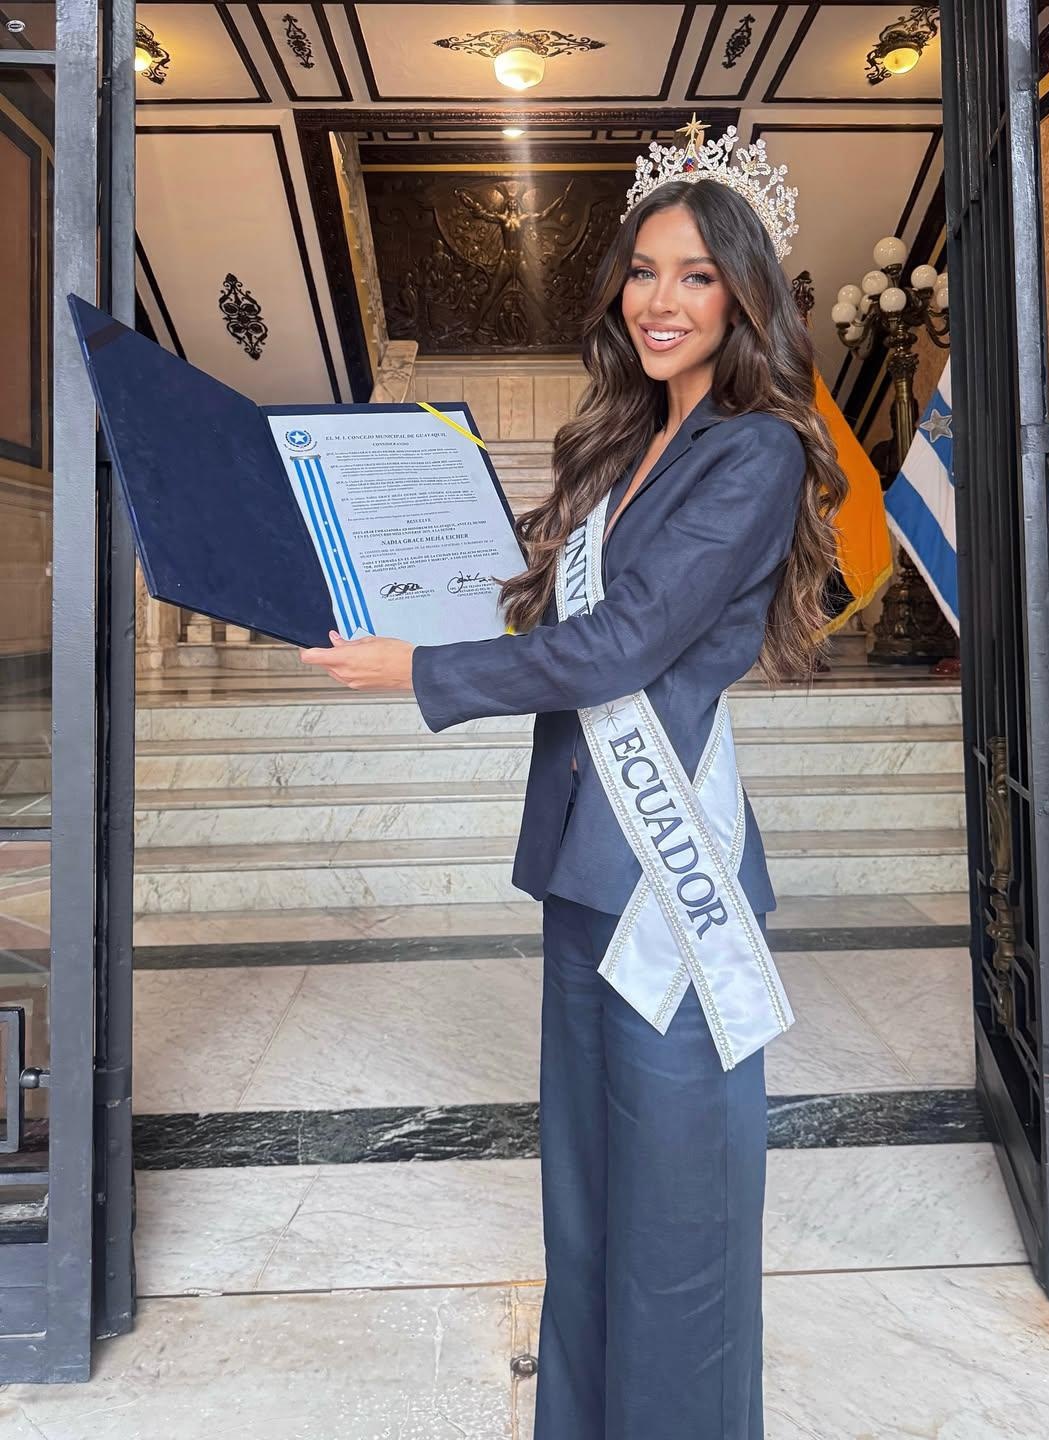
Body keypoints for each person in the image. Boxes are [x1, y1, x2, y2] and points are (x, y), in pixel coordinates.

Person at [301, 120, 847, 1440]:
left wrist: (419, 671)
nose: (662, 301)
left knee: (679, 1212)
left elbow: (622, 646)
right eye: (644, 271)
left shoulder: (755, 451)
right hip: (584, 864)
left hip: (669, 876)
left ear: (744, 297)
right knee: (590, 1201)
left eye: (697, 276)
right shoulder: (627, 443)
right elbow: (555, 619)